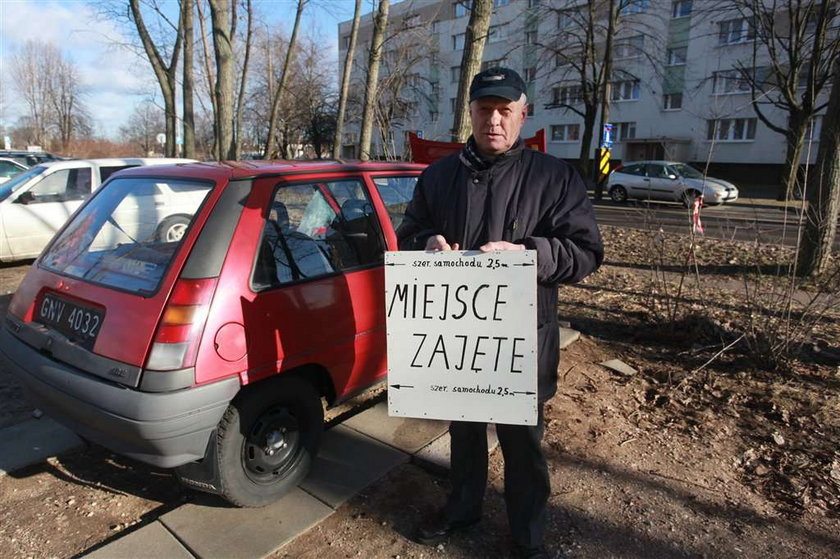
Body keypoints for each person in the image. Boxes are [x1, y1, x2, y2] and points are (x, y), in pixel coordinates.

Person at [396, 67, 604, 558]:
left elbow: (586, 252)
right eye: (484, 109)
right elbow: (408, 232)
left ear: (522, 114)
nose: (494, 119)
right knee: (464, 435)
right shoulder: (439, 176)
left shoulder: (554, 177)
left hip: (521, 344)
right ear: (469, 113)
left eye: (504, 110)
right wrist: (426, 242)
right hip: (458, 342)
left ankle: (528, 536)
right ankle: (462, 510)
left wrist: (529, 255)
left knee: (522, 444)